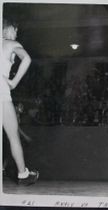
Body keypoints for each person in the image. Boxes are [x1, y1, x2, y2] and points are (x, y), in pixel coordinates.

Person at [1, 19, 39, 185]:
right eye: (15, 30)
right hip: (1, 93)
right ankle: (23, 174)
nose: (16, 34)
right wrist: (14, 82)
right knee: (13, 136)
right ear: (8, 29)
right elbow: (27, 59)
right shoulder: (10, 43)